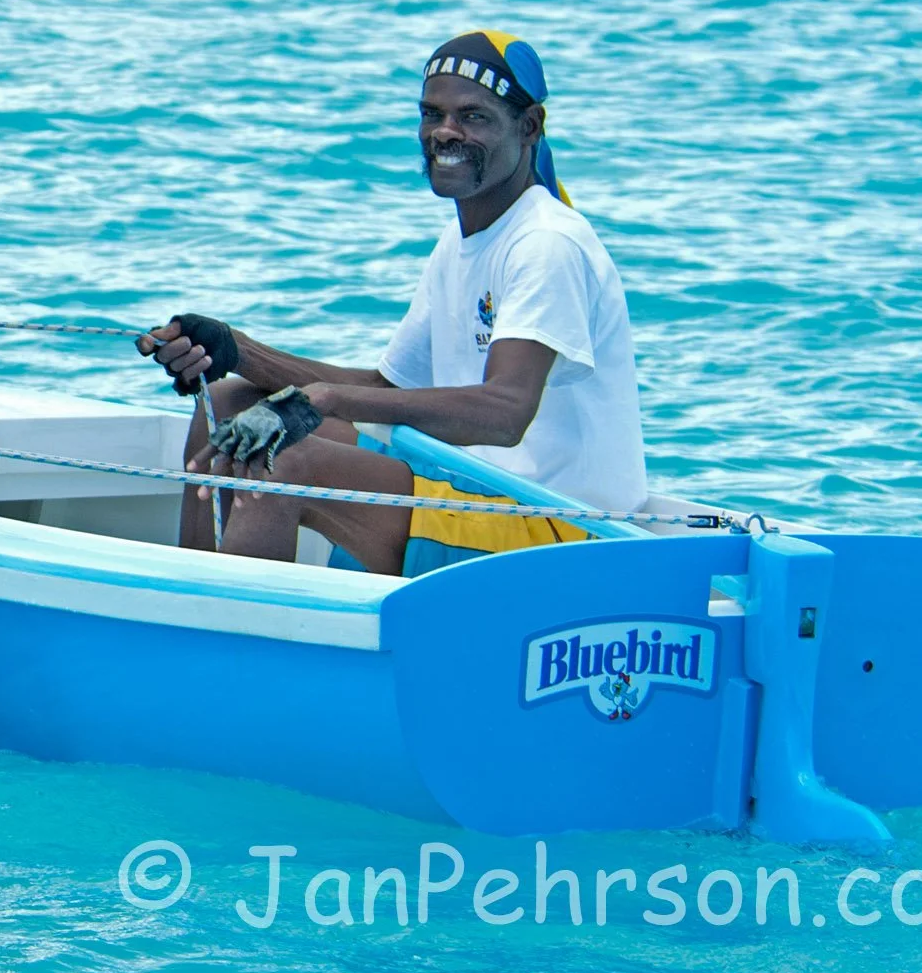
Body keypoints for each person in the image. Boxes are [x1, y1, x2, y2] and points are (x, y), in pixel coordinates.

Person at [135, 32, 644, 576]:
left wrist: (323, 400)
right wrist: (235, 350)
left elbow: (504, 413)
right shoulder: (466, 238)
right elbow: (387, 389)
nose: (445, 132)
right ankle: (189, 598)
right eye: (433, 114)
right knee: (231, 399)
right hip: (468, 481)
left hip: (556, 527)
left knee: (283, 460)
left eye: (472, 117)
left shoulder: (546, 243)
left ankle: (232, 642)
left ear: (529, 127)